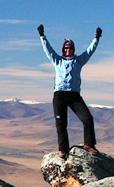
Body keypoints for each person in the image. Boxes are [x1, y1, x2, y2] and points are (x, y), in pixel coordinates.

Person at [37, 24, 102, 159]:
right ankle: (63, 150)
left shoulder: (78, 61)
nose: (68, 50)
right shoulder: (58, 61)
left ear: (73, 49)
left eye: (70, 48)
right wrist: (42, 36)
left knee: (88, 118)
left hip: (74, 95)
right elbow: (48, 50)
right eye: (66, 48)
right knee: (61, 124)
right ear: (63, 49)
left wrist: (96, 39)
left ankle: (89, 144)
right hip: (60, 94)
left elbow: (90, 51)